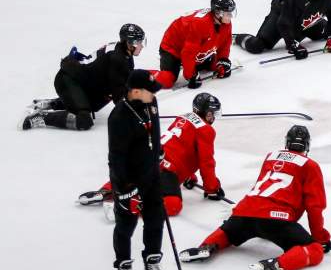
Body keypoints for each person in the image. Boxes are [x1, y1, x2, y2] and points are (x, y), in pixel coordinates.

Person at [180, 126, 331, 270]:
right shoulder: (310, 165)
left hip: (244, 211)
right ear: (307, 145)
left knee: (229, 232)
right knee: (315, 251)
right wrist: (320, 238)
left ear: (287, 142)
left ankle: (207, 246)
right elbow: (315, 206)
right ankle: (276, 265)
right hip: (276, 219)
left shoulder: (271, 156)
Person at [79, 93, 225, 217]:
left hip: (149, 156)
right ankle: (131, 207)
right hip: (166, 170)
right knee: (173, 204)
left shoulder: (183, 118)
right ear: (208, 113)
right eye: (213, 113)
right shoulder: (206, 130)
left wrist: (189, 176)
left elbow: (179, 146)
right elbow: (206, 162)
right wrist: (212, 189)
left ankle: (106, 190)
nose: (214, 118)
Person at [24, 24, 144, 131]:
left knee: (99, 101)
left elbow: (124, 83)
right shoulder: (118, 58)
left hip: (81, 81)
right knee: (84, 120)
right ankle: (41, 117)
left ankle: (52, 104)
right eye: (138, 42)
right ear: (129, 43)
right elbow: (119, 96)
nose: (141, 46)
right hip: (68, 79)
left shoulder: (124, 54)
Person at [109, 70, 168, 270]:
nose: (153, 94)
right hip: (129, 180)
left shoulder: (152, 104)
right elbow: (117, 157)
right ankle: (123, 264)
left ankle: (152, 262)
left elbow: (153, 133)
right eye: (149, 91)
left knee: (156, 219)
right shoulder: (118, 117)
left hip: (151, 174)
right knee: (126, 224)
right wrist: (124, 190)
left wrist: (157, 152)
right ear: (135, 91)